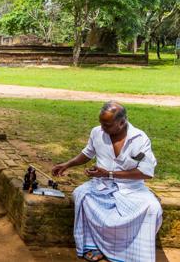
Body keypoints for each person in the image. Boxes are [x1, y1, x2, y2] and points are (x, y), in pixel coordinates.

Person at [52, 101, 162, 262]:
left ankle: (135, 254)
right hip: (101, 185)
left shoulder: (139, 139)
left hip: (131, 189)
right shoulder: (97, 132)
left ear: (122, 122)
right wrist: (67, 164)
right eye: (101, 123)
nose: (103, 128)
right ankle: (93, 245)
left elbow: (146, 173)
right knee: (81, 194)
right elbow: (87, 153)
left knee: (153, 208)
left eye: (107, 125)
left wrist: (109, 173)